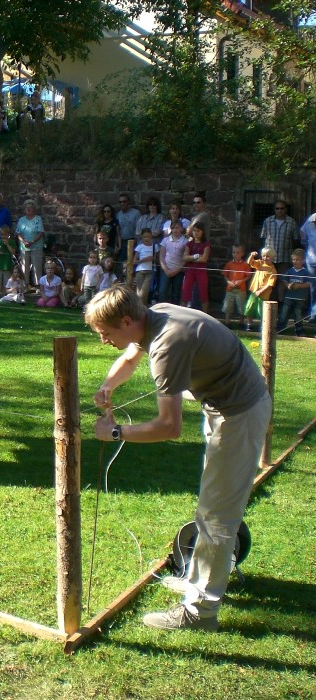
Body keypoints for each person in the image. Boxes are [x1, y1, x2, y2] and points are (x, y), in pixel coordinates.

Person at [87, 285, 271, 632]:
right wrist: (108, 385)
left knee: (217, 514)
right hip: (228, 405)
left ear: (126, 321)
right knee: (212, 507)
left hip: (239, 414)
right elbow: (130, 357)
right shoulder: (155, 314)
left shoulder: (166, 345)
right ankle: (198, 581)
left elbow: (169, 427)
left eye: (105, 333)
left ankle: (199, 612)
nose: (103, 340)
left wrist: (114, 433)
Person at [259, 200, 297, 294]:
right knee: (267, 280)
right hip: (269, 259)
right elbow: (263, 238)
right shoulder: (267, 221)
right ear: (274, 209)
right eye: (277, 208)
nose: (280, 210)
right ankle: (267, 301)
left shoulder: (291, 222)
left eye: (282, 208)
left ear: (286, 209)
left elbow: (295, 239)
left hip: (284, 258)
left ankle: (280, 301)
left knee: (282, 281)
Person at [278, 249, 313, 336]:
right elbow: (284, 281)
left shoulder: (306, 272)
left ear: (303, 261)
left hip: (300, 299)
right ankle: (280, 329)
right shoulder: (290, 271)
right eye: (293, 259)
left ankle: (299, 331)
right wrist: (288, 285)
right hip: (289, 297)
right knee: (284, 314)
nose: (295, 261)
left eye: (297, 260)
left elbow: (309, 284)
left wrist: (299, 286)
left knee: (298, 316)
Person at [180, 220, 211, 312]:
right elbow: (185, 258)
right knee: (186, 291)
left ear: (202, 232)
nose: (196, 233)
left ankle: (205, 314)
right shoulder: (189, 244)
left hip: (201, 270)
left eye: (198, 231)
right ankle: (182, 312)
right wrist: (196, 256)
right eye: (194, 231)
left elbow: (204, 259)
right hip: (190, 270)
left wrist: (191, 258)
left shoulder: (206, 244)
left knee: (203, 292)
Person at [245, 248, 278, 331]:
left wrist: (261, 291)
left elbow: (270, 284)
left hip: (264, 295)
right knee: (249, 308)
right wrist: (252, 256)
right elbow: (250, 263)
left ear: (272, 257)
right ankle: (249, 324)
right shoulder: (260, 263)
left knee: (262, 311)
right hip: (254, 291)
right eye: (263, 256)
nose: (265, 258)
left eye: (268, 256)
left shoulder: (273, 270)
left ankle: (263, 327)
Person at [16, 199, 45, 289]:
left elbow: (41, 232)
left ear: (34, 209)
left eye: (30, 208)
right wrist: (23, 241)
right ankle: (26, 285)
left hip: (36, 246)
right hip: (24, 247)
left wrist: (32, 241)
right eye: (27, 208)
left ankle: (37, 285)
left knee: (37, 266)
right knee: (24, 267)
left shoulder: (38, 219)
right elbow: (18, 233)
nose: (28, 209)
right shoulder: (21, 220)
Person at [158, 219, 188, 305]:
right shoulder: (165, 240)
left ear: (181, 228)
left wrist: (178, 270)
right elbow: (161, 256)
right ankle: (160, 310)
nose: (175, 230)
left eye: (177, 227)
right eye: (173, 228)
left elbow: (185, 258)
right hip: (166, 270)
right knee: (162, 291)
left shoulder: (185, 241)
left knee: (176, 294)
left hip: (178, 271)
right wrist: (166, 269)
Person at [221, 245, 251, 328]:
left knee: (241, 306)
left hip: (241, 289)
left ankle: (241, 322)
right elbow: (225, 274)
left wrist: (241, 281)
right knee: (228, 306)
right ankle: (227, 322)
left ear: (242, 254)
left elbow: (248, 276)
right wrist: (228, 282)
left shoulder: (245, 265)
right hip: (230, 289)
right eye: (233, 252)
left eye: (237, 253)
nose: (235, 254)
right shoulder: (229, 264)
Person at [132, 229, 156, 306]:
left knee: (144, 293)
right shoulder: (139, 247)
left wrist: (152, 259)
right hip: (140, 271)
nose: (146, 238)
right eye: (145, 237)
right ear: (142, 237)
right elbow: (134, 261)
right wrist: (143, 260)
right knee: (139, 293)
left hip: (150, 271)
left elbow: (157, 259)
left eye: (148, 236)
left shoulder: (154, 246)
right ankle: (141, 308)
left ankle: (143, 309)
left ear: (151, 237)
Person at [116, 194, 141, 267]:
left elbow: (139, 229)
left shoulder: (136, 213)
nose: (122, 203)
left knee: (132, 265)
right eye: (120, 202)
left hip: (132, 242)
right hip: (121, 243)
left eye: (124, 201)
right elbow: (117, 231)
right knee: (121, 265)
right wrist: (117, 245)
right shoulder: (118, 215)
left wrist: (135, 243)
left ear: (128, 202)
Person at [299, 212, 316, 320]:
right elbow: (302, 231)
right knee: (313, 288)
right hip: (311, 261)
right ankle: (313, 314)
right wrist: (304, 241)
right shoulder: (309, 223)